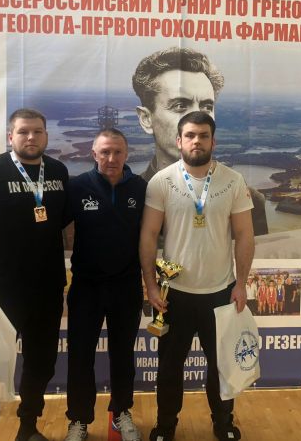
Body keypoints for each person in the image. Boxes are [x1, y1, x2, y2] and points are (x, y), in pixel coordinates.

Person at [139, 111, 255, 441]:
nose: (196, 141)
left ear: (213, 141)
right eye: (190, 135)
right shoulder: (161, 181)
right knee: (169, 367)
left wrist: (241, 284)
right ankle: (165, 426)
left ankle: (223, 423)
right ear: (179, 141)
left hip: (220, 293)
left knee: (221, 366)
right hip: (173, 295)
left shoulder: (233, 181)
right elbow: (149, 235)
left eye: (203, 135)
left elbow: (244, 235)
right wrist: (150, 285)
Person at [0, 108, 68, 441]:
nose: (30, 137)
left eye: (37, 131)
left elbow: (66, 226)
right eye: (23, 131)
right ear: (11, 136)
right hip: (1, 288)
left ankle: (28, 427)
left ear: (46, 135)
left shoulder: (59, 171)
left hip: (47, 287)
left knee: (41, 363)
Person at [63, 129, 146, 441]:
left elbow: (152, 234)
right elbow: (52, 229)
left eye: (117, 152)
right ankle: (79, 420)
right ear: (94, 154)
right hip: (86, 287)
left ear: (126, 154)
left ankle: (121, 413)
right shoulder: (76, 187)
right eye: (105, 152)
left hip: (127, 286)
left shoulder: (140, 188)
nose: (111, 158)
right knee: (80, 355)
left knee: (123, 354)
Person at [133, 46, 268, 236]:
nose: (197, 119)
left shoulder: (248, 200)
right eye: (180, 105)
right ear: (146, 119)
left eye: (207, 106)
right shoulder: (130, 199)